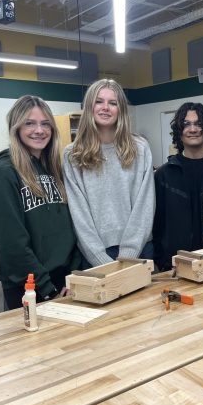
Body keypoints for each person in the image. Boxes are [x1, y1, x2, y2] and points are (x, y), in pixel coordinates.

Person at [0, 95, 82, 309]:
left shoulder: (54, 168)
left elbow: (71, 227)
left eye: (45, 124)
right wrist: (46, 289)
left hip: (63, 281)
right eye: (29, 123)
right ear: (16, 127)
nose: (39, 130)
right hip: (29, 286)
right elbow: (12, 244)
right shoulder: (4, 174)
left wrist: (72, 275)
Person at [63, 78, 155, 267]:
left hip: (139, 249)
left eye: (112, 103)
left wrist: (129, 253)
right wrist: (99, 259)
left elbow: (145, 204)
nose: (105, 107)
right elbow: (78, 213)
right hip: (93, 255)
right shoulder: (73, 154)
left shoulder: (140, 148)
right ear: (89, 107)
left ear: (120, 109)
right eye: (99, 101)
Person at [152, 102, 203, 272]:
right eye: (186, 124)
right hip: (175, 266)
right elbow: (157, 225)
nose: (193, 129)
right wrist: (162, 262)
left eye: (199, 124)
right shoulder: (164, 174)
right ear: (179, 130)